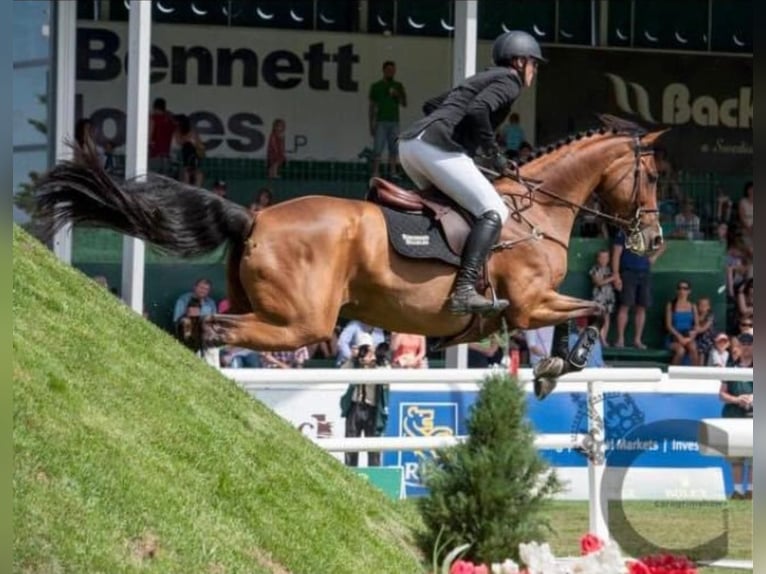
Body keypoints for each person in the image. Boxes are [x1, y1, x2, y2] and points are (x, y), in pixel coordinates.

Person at [398, 30, 545, 315]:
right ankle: (464, 289)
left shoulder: (482, 78)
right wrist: (495, 155)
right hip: (435, 148)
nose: (535, 70)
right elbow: (479, 110)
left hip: (410, 146)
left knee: (454, 211)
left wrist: (468, 150)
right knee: (494, 210)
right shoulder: (509, 80)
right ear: (518, 61)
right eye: (534, 63)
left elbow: (432, 106)